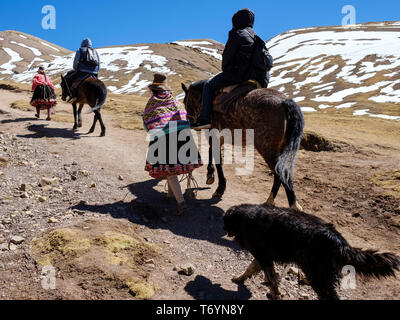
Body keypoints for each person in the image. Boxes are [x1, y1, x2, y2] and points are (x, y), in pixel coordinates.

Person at [191, 8, 270, 130]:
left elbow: (227, 56)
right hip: (260, 79)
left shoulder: (237, 33)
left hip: (240, 75)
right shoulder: (257, 38)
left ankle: (204, 120)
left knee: (208, 85)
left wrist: (227, 70)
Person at [143, 74, 202, 216]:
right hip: (182, 135)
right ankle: (170, 196)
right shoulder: (175, 101)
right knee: (172, 169)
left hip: (163, 137)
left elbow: (147, 123)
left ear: (154, 89)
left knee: (169, 170)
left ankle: (181, 203)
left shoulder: (152, 102)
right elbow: (183, 117)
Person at [66, 38, 100, 103]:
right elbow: (98, 63)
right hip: (94, 72)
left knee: (71, 81)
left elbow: (76, 61)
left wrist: (75, 69)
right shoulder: (95, 51)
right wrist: (96, 71)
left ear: (82, 43)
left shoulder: (80, 50)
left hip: (82, 71)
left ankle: (73, 96)